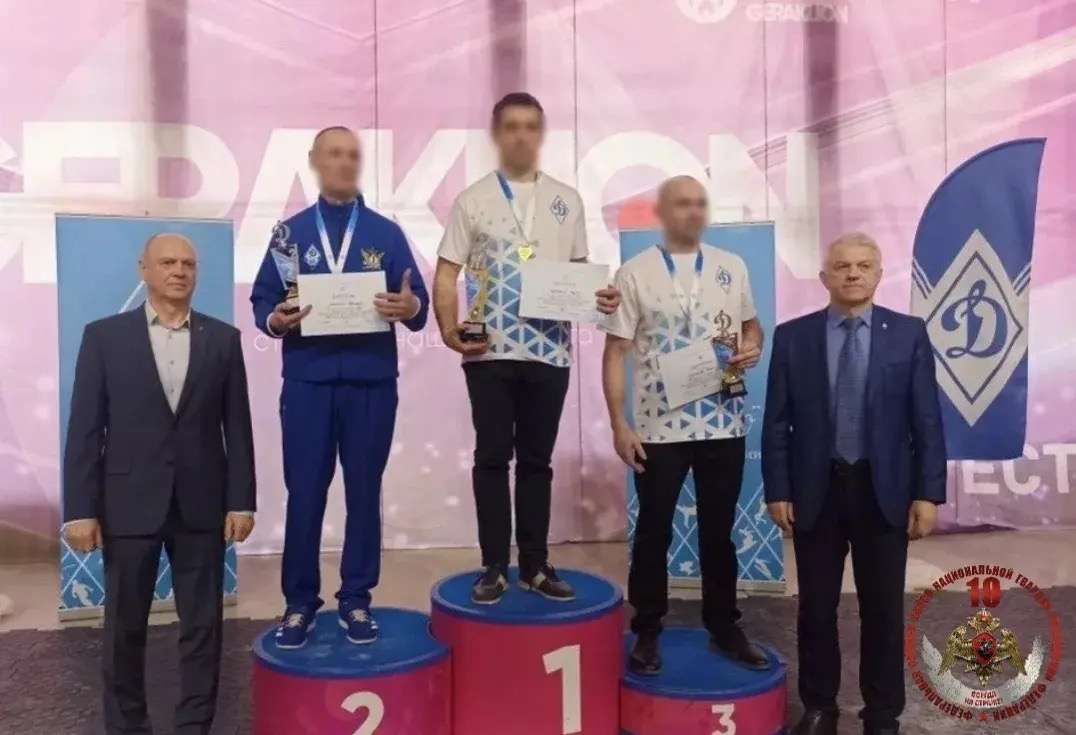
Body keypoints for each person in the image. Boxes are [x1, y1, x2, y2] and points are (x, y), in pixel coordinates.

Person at [63, 233, 256, 735]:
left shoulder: (224, 340)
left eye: (188, 263)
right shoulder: (104, 338)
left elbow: (237, 428)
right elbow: (85, 429)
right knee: (123, 630)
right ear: (143, 269)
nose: (179, 271)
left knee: (203, 629)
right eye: (167, 262)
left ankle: (194, 725)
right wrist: (79, 509)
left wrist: (242, 501)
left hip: (202, 505)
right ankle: (127, 726)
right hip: (127, 505)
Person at [433, 92, 620, 604]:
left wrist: (600, 296)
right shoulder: (473, 199)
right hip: (489, 351)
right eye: (511, 126)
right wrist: (449, 330)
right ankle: (494, 565)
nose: (521, 135)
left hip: (549, 350)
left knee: (537, 461)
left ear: (541, 134)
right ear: (497, 134)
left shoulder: (567, 200)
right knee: (492, 458)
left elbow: (579, 272)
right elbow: (447, 272)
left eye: (530, 126)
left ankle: (535, 565)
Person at [250, 126, 429, 648]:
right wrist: (276, 321)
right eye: (335, 154)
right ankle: (299, 603)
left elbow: (416, 305)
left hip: (371, 383)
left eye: (353, 155)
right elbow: (263, 300)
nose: (346, 163)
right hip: (308, 382)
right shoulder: (289, 235)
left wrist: (410, 306)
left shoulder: (385, 233)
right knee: (304, 492)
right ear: (315, 161)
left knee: (364, 492)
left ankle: (356, 599)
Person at [762, 233, 946, 735]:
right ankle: (820, 707)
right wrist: (778, 489)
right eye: (842, 266)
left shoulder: (908, 334)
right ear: (824, 277)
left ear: (878, 274)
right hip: (815, 491)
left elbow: (927, 419)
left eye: (864, 265)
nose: (853, 274)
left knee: (883, 612)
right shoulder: (793, 336)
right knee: (816, 610)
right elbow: (777, 421)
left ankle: (882, 714)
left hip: (883, 492)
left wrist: (928, 492)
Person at [599, 175, 769, 675]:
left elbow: (751, 324)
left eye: (700, 203)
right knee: (653, 533)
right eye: (682, 204)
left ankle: (724, 625)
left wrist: (753, 345)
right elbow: (616, 351)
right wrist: (619, 423)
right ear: (662, 212)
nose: (693, 212)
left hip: (724, 421)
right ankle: (647, 629)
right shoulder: (634, 272)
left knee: (719, 533)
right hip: (659, 429)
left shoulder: (731, 266)